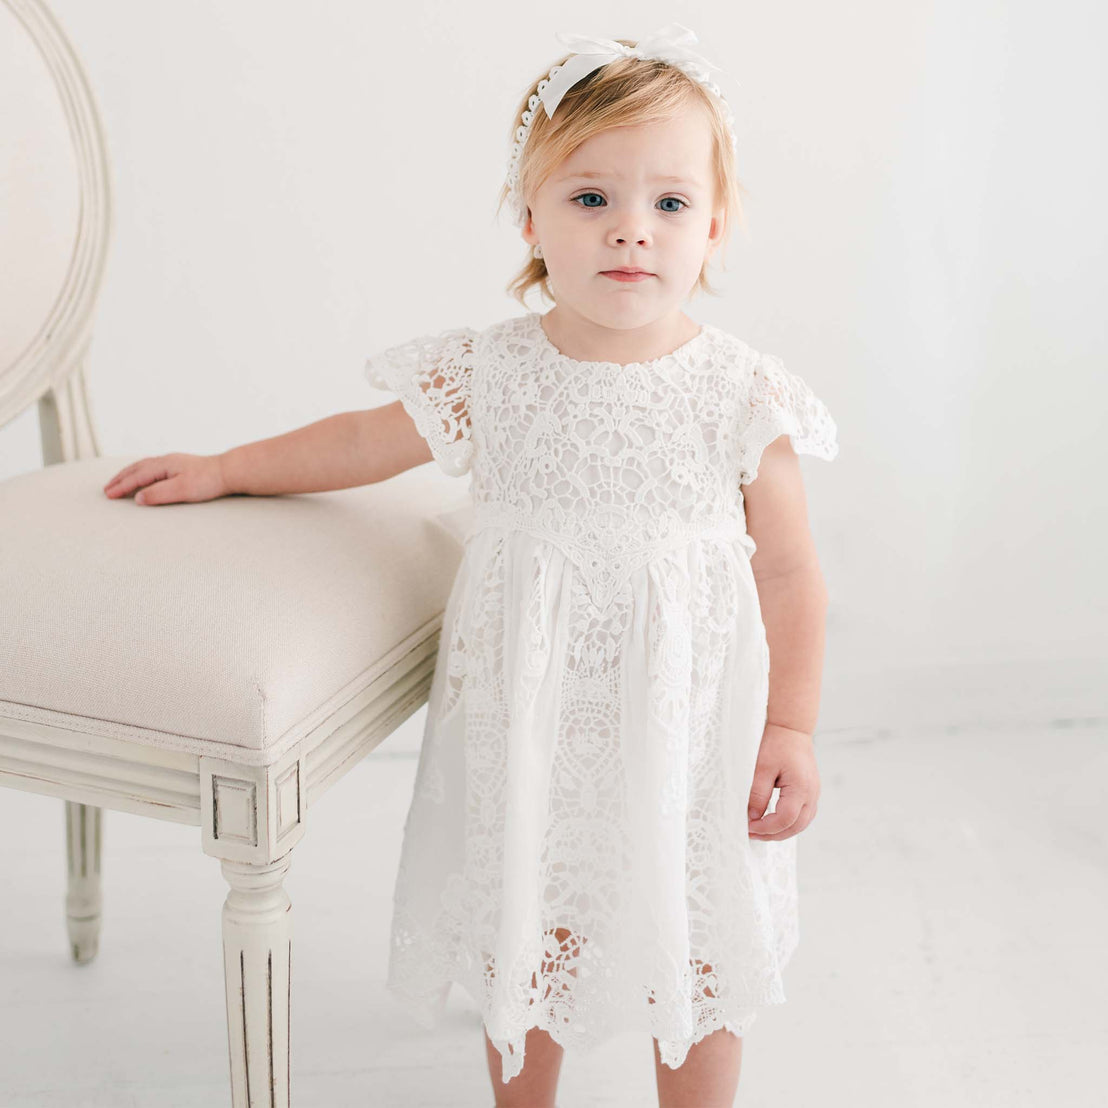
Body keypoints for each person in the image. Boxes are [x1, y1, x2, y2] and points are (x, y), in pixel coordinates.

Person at [102, 23, 839, 1108]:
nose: (631, 232)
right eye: (591, 199)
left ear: (714, 225)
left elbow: (790, 574)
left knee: (692, 933)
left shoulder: (738, 394)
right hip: (532, 729)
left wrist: (791, 725)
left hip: (686, 730)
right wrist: (225, 468)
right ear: (530, 216)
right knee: (527, 923)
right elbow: (359, 441)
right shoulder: (494, 370)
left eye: (669, 204)